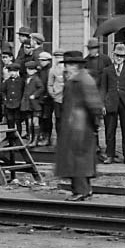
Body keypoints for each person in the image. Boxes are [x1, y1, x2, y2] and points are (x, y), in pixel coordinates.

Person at [52, 50, 101, 199]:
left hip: (79, 125)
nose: (66, 68)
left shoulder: (82, 80)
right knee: (77, 159)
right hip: (77, 124)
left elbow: (94, 104)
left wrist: (94, 123)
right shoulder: (79, 79)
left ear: (75, 66)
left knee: (77, 159)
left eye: (68, 65)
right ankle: (83, 189)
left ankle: (81, 191)